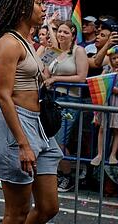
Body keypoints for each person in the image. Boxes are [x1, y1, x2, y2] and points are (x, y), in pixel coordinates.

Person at [0, 0, 62, 224]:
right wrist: (23, 144)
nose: (43, 8)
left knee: (48, 207)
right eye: (39, 3)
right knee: (17, 213)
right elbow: (4, 96)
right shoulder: (9, 43)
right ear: (22, 8)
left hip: (38, 126)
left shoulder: (26, 41)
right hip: (16, 127)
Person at [42, 21, 88, 192]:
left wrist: (56, 79)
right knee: (50, 138)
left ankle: (67, 176)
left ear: (73, 35)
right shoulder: (53, 51)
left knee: (60, 140)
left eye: (65, 32)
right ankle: (57, 173)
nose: (61, 35)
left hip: (71, 100)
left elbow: (82, 77)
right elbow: (45, 73)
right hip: (53, 100)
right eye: (59, 31)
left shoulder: (79, 51)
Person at [90, 45, 118, 166]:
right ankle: (100, 154)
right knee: (102, 128)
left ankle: (113, 154)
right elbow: (101, 82)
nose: (117, 61)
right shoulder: (107, 69)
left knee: (116, 129)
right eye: (114, 58)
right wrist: (111, 87)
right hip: (106, 101)